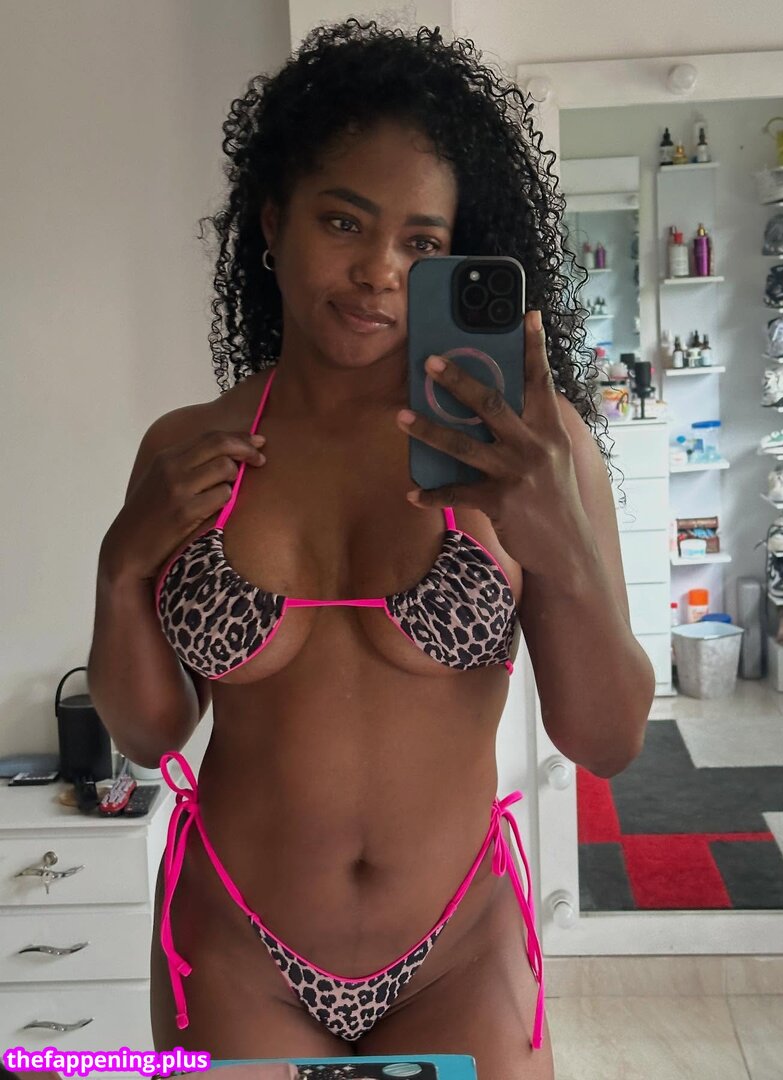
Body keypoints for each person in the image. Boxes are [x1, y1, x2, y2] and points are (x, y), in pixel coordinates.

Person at [87, 18, 654, 1080]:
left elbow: (607, 738)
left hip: (458, 951)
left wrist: (561, 548)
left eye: (421, 243)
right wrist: (121, 571)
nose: (379, 272)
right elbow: (150, 730)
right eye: (343, 221)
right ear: (273, 222)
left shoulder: (529, 451)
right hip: (237, 945)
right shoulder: (188, 448)